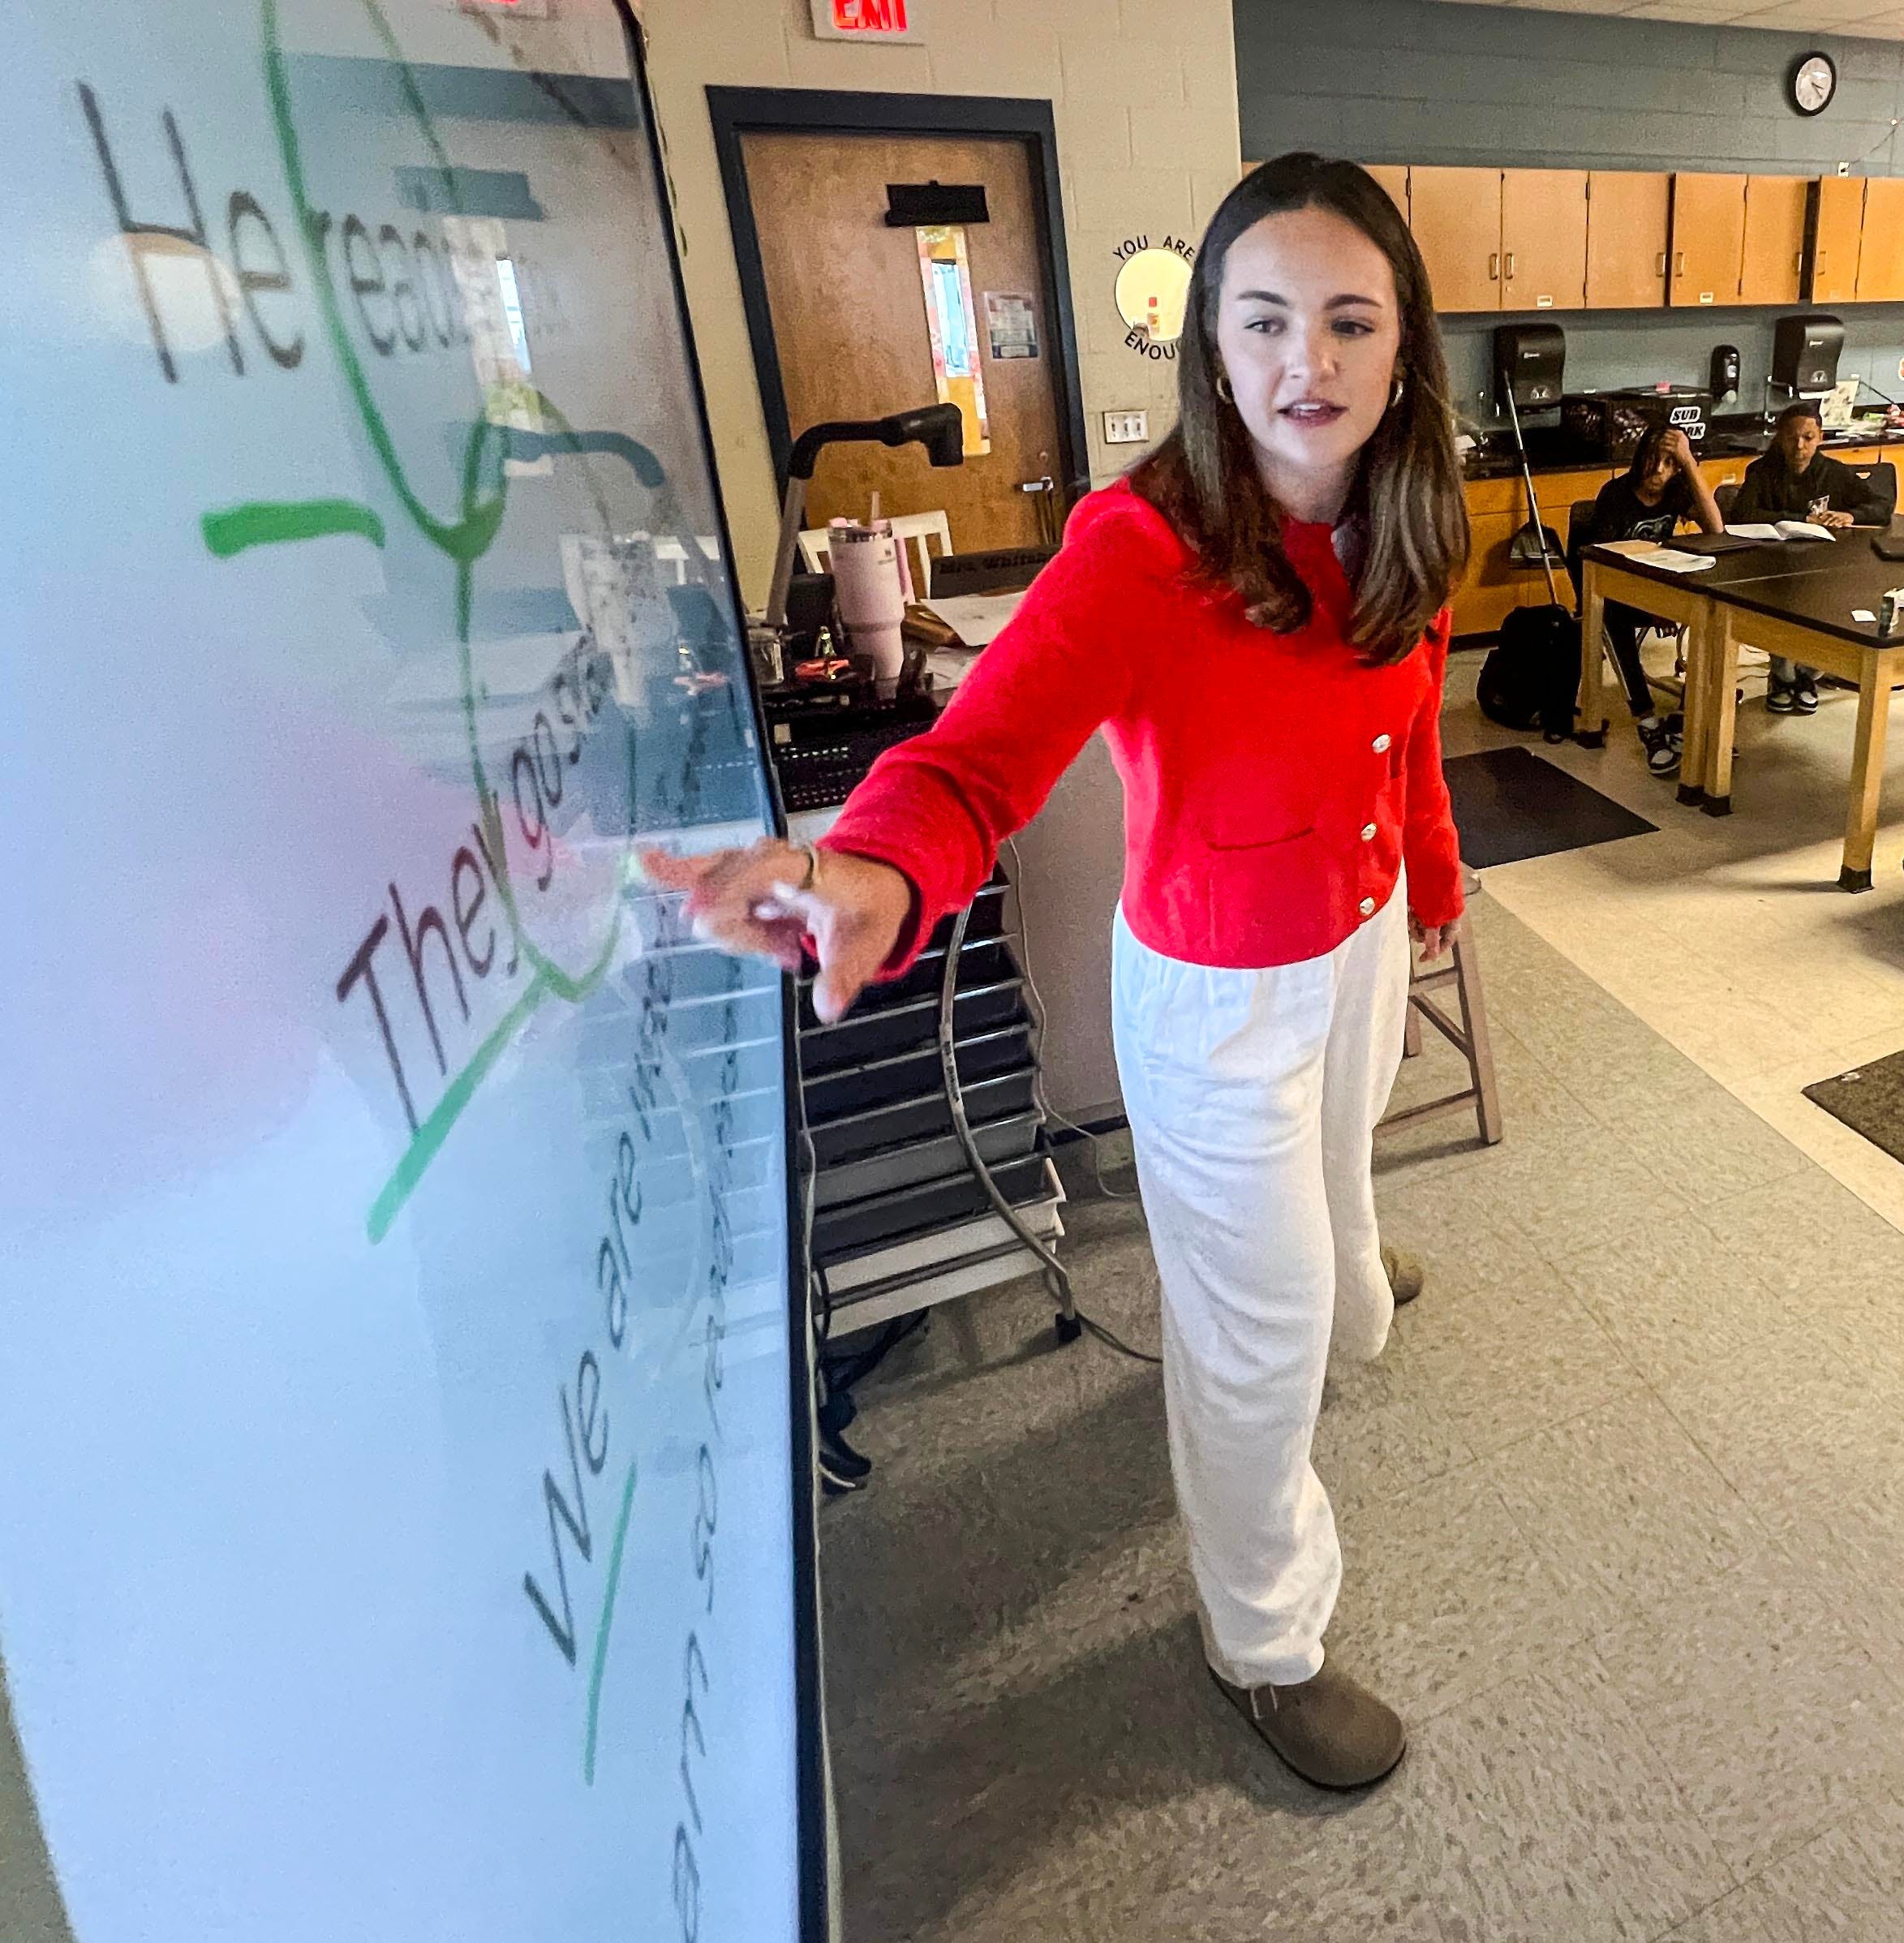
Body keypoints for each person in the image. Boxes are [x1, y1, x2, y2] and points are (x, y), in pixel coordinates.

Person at [641, 155, 1467, 1795]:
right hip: (1220, 998)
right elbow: (975, 756)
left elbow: (1411, 721)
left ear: (1402, 346)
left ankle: (1348, 1294)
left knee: (1340, 1190)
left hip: (1361, 940)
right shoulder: (1140, 546)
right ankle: (1265, 1646)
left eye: (1349, 321)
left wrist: (1430, 876)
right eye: (1265, 320)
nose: (1307, 361)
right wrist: (872, 869)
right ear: (1212, 342)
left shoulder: (1409, 511)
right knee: (1255, 1331)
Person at [1733, 399, 1888, 714]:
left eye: (1808, 438)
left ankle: (1808, 674)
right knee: (1781, 605)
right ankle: (1782, 676)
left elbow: (1882, 505)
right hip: (1772, 564)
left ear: (1820, 438)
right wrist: (1801, 519)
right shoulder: (1761, 471)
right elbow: (1742, 514)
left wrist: (1851, 515)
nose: (1799, 446)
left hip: (1824, 563)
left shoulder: (1835, 473)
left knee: (1832, 605)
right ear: (1780, 438)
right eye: (1792, 438)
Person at [1585, 421, 1722, 776]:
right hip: (1618, 591)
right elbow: (1606, 560)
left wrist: (1689, 463)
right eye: (1652, 459)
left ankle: (1687, 715)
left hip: (1661, 587)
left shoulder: (1676, 492)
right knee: (1612, 618)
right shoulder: (1616, 494)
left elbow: (1716, 531)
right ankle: (1647, 722)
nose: (1658, 470)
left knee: (1713, 614)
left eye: (1669, 463)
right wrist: (1651, 601)